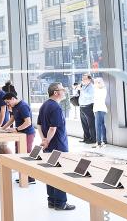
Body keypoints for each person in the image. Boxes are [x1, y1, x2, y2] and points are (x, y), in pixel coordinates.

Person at [37, 82, 75, 211]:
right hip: (58, 145)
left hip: (49, 146)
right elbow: (53, 128)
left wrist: (43, 139)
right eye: (62, 89)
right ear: (56, 92)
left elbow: (39, 126)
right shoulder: (56, 107)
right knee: (59, 173)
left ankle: (52, 201)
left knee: (51, 173)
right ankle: (60, 202)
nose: (64, 91)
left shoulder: (44, 105)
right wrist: (47, 140)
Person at [2, 91, 36, 184]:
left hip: (28, 134)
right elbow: (12, 119)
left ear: (13, 98)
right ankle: (24, 176)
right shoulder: (14, 106)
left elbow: (28, 122)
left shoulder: (23, 106)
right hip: (20, 134)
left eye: (8, 102)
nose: (7, 104)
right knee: (19, 154)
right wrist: (2, 128)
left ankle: (31, 177)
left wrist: (16, 129)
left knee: (26, 155)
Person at [78, 74, 96, 145]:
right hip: (82, 107)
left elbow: (89, 95)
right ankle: (86, 138)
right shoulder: (83, 86)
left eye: (84, 79)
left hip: (88, 107)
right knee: (84, 124)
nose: (83, 80)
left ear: (89, 79)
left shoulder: (91, 86)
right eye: (82, 79)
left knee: (91, 124)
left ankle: (93, 139)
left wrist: (81, 89)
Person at [93, 77, 108, 148]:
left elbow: (96, 98)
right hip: (100, 109)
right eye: (96, 82)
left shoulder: (100, 90)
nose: (96, 84)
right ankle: (103, 141)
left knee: (98, 126)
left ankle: (98, 142)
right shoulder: (101, 89)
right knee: (101, 125)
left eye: (98, 82)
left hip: (99, 109)